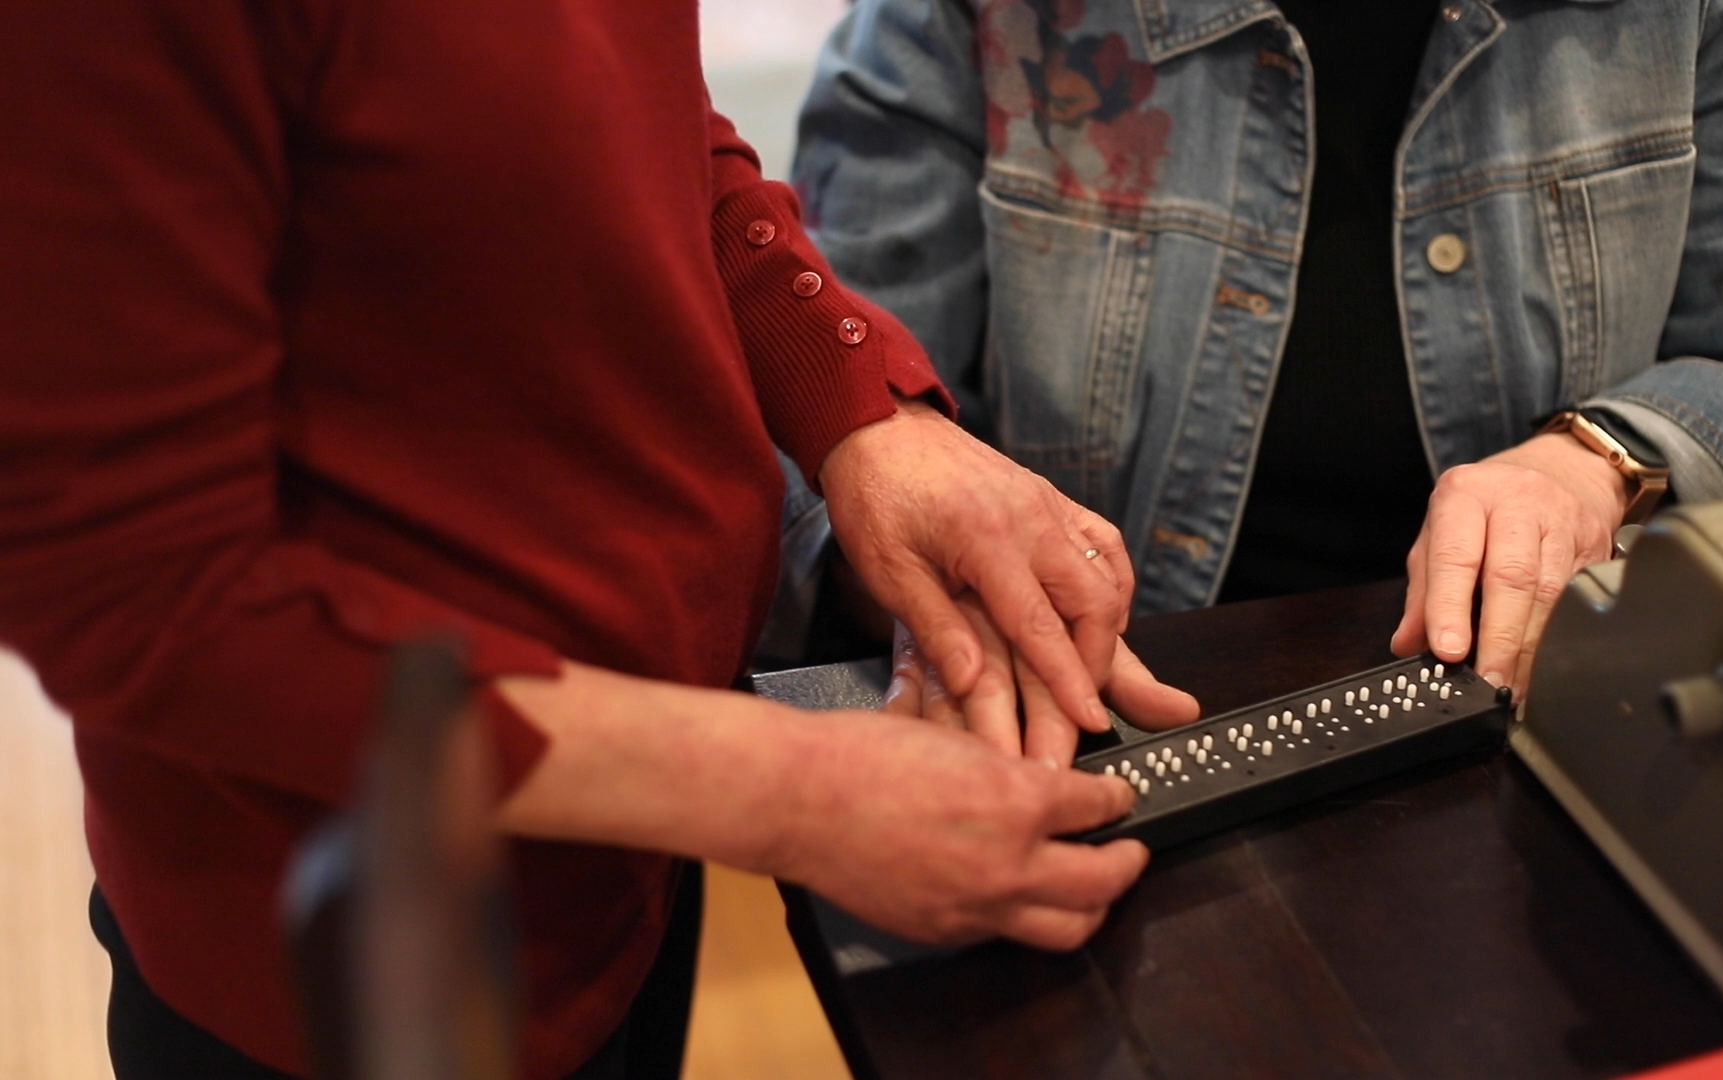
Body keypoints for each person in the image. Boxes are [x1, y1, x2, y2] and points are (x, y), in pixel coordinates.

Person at [0, 4, 1199, 1079]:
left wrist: (858, 412)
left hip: (620, 862)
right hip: (344, 941)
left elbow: (635, 128)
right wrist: (776, 787)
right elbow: (134, 593)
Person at [790, 0, 1723, 703]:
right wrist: (953, 594)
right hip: (1099, 718)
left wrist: (1598, 457)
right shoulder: (968, 20)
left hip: (1552, 724)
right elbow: (824, 445)